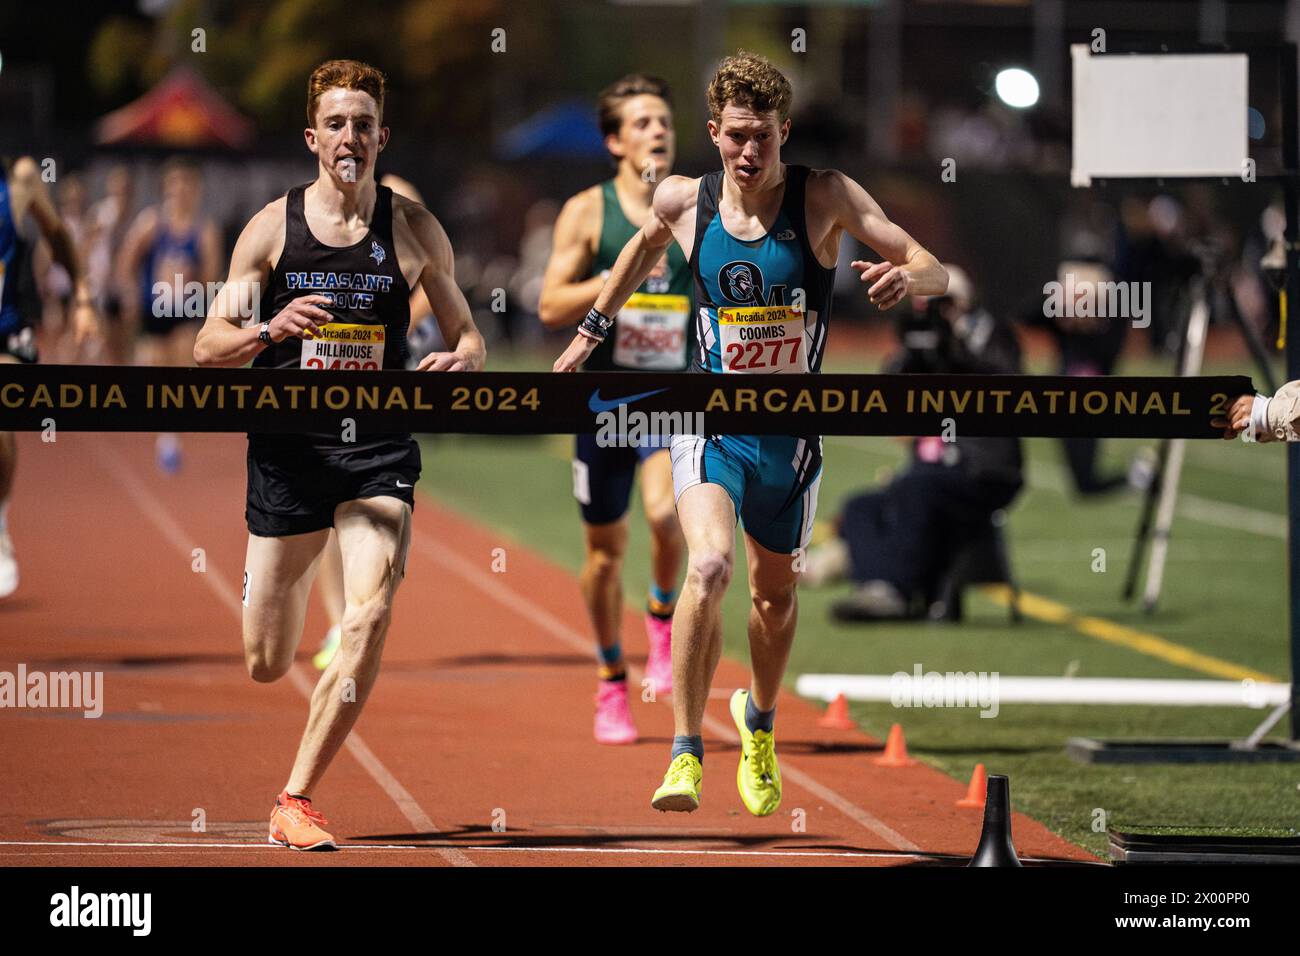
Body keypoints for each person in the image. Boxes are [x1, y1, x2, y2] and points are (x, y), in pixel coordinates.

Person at [554, 51, 947, 814]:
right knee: (707, 567)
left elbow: (932, 265)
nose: (749, 152)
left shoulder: (824, 195)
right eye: (736, 136)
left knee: (774, 598)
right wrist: (591, 331)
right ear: (714, 132)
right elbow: (641, 247)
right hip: (710, 426)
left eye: (763, 136)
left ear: (784, 132)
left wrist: (911, 278)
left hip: (790, 443)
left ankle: (758, 724)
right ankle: (685, 751)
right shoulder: (684, 199)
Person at [193, 59, 485, 850]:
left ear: (382, 137)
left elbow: (468, 334)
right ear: (312, 138)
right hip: (290, 454)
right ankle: (277, 579)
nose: (349, 137)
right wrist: (269, 329)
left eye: (363, 124)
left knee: (371, 612)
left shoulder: (413, 229)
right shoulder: (271, 227)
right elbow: (207, 343)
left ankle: (296, 798)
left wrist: (463, 356)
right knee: (265, 659)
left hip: (377, 453)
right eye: (335, 124)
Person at [539, 74, 692, 744]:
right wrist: (617, 278)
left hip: (670, 396)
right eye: (642, 123)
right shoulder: (588, 212)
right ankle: (609, 679)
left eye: (664, 121)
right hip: (602, 402)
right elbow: (549, 304)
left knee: (665, 515)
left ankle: (660, 620)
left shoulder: (696, 206)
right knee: (604, 555)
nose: (657, 131)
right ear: (614, 141)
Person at [802, 266, 1025, 620]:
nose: (929, 312)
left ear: (962, 303)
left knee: (914, 487)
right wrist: (911, 349)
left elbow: (1006, 383)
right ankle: (878, 588)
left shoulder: (991, 334)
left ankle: (897, 588)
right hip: (934, 470)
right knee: (860, 508)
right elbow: (887, 393)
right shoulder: (924, 342)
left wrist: (956, 348)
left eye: (939, 304)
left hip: (984, 469)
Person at [0, 156, 99, 599]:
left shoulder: (20, 181)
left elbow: (57, 235)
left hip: (8, 329)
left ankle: (0, 524)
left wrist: (82, 296)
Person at [119, 158, 222, 472]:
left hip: (184, 313)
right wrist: (130, 294)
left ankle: (169, 439)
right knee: (153, 372)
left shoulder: (204, 230)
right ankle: (162, 429)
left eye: (187, 184)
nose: (181, 190)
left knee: (179, 373)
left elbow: (212, 276)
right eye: (175, 184)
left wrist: (194, 285)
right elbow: (127, 260)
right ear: (166, 188)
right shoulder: (152, 223)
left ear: (196, 190)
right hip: (152, 311)